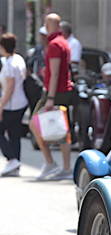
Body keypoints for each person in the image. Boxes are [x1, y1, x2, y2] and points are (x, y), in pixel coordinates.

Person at [29, 13, 75, 181]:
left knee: (37, 124)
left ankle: (53, 164)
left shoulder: (55, 44)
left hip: (55, 92)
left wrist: (50, 97)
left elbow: (55, 73)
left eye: (46, 24)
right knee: (61, 129)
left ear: (51, 25)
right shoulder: (63, 42)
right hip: (61, 90)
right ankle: (63, 167)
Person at [0, 33, 28, 177]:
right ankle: (15, 163)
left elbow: (9, 89)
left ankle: (11, 159)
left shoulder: (10, 64)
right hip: (21, 102)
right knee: (14, 134)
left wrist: (0, 106)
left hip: (11, 104)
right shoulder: (18, 59)